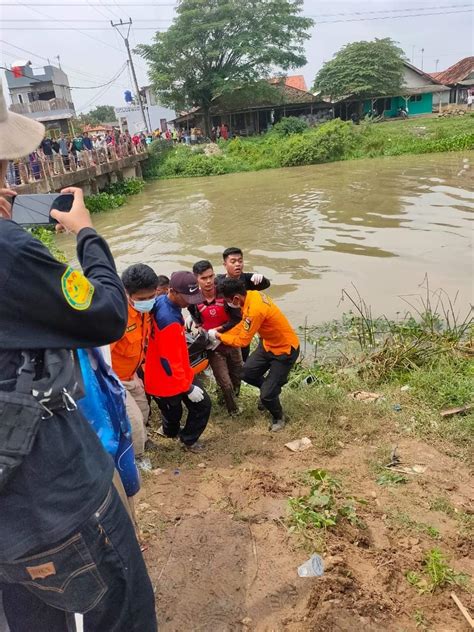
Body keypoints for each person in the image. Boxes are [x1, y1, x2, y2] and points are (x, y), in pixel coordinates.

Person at [0, 81, 157, 630]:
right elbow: (105, 313)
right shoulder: (11, 249)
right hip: (52, 496)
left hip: (10, 522)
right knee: (124, 611)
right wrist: (86, 233)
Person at [210, 279, 300, 432]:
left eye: (227, 301)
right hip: (268, 345)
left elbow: (243, 341)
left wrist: (219, 337)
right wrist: (222, 332)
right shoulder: (252, 296)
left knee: (266, 395)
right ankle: (272, 387)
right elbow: (243, 325)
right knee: (246, 373)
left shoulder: (255, 309)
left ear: (236, 298)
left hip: (285, 351)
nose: (227, 304)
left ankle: (278, 416)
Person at [144, 271, 211, 451]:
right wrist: (187, 387)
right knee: (180, 410)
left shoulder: (161, 302)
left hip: (172, 370)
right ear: (172, 291)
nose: (190, 301)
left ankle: (182, 436)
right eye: (187, 297)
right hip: (166, 377)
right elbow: (168, 362)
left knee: (186, 408)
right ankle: (178, 435)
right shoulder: (169, 320)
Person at [111, 264, 159, 458]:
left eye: (151, 297)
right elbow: (101, 356)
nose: (147, 302)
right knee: (135, 420)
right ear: (127, 294)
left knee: (143, 410)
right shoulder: (117, 317)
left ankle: (143, 441)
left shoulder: (145, 311)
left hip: (131, 374)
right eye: (142, 299)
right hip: (115, 379)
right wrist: (111, 385)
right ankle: (137, 458)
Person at [189, 260, 243, 415]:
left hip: (231, 342)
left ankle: (232, 396)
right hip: (213, 347)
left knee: (238, 375)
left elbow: (236, 319)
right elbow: (196, 318)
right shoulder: (193, 300)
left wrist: (217, 331)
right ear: (196, 279)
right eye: (203, 278)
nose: (208, 281)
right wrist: (201, 329)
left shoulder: (225, 293)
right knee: (225, 382)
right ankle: (233, 410)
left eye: (211, 276)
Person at [217, 246, 271, 361]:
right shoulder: (218, 281)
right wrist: (194, 314)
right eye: (233, 261)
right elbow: (207, 296)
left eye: (240, 261)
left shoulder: (248, 279)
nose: (238, 264)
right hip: (226, 325)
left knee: (243, 357)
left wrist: (262, 278)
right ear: (225, 264)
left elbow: (266, 284)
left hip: (243, 325)